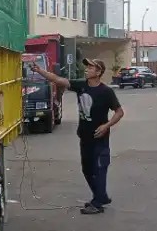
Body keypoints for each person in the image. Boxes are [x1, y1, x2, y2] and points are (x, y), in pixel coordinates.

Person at [28, 58, 124, 215]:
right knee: (87, 170)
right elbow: (59, 80)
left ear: (99, 72)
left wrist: (106, 125)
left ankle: (98, 202)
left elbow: (119, 112)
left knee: (100, 169)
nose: (86, 69)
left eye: (91, 67)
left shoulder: (106, 92)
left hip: (100, 138)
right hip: (85, 137)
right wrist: (40, 71)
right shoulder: (81, 86)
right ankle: (101, 196)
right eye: (87, 67)